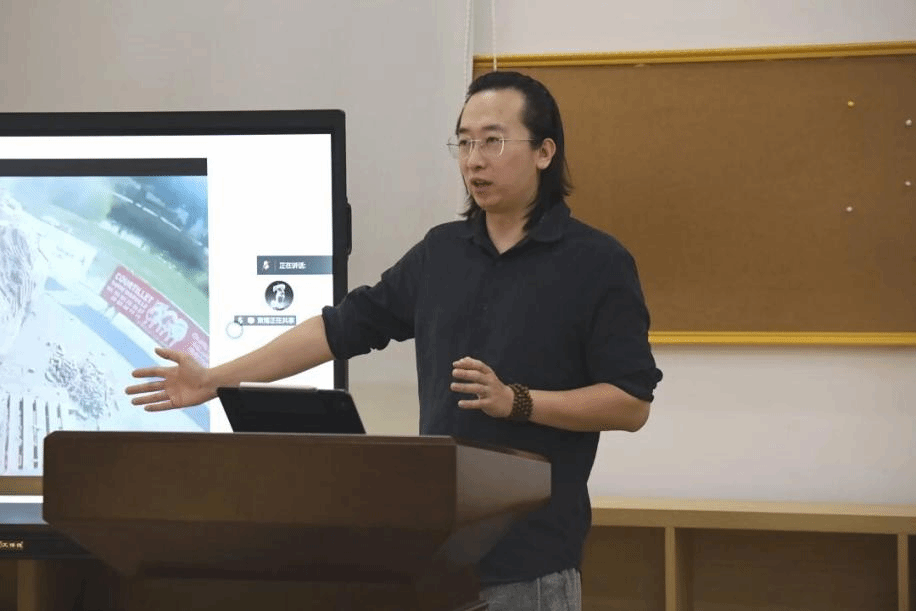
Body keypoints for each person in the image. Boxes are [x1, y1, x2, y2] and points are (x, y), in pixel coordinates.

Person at [126, 70, 662, 611]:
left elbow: (630, 402)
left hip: (531, 570)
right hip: (433, 563)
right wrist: (216, 379)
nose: (474, 160)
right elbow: (337, 329)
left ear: (545, 151)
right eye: (464, 142)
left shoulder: (597, 263)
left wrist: (517, 401)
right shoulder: (441, 253)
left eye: (493, 141)